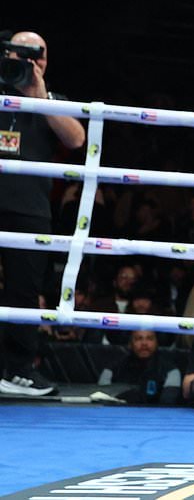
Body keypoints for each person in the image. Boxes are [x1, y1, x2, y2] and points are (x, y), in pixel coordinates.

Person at [0, 30, 86, 397]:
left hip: (30, 210)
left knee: (24, 293)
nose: (30, 58)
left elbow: (77, 138)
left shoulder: (53, 101)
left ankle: (18, 371)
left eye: (37, 53)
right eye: (21, 52)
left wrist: (38, 94)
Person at [97, 330, 182, 405]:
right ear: (130, 343)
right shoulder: (111, 370)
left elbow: (167, 404)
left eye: (150, 338)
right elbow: (102, 400)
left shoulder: (171, 371)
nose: (144, 343)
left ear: (157, 343)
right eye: (138, 338)